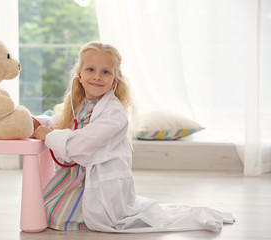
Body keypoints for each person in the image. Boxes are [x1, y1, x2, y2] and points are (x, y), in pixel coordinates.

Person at [31, 41, 235, 232]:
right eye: (91, 70)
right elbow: (61, 120)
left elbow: (82, 144)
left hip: (98, 181)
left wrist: (47, 135)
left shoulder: (114, 113)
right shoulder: (80, 104)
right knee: (43, 209)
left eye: (105, 72)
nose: (97, 77)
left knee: (56, 216)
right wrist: (39, 122)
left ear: (114, 80)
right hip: (76, 177)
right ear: (80, 74)